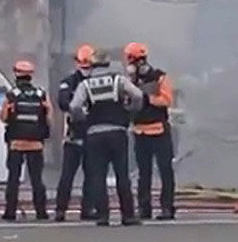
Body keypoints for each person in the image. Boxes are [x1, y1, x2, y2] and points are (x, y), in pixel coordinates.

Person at [68, 48, 143, 227]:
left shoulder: (86, 84)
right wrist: (130, 111)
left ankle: (103, 215)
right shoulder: (118, 80)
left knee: (98, 176)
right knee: (122, 174)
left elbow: (75, 106)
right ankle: (128, 215)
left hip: (95, 134)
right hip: (117, 132)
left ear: (92, 65)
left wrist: (84, 118)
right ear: (109, 64)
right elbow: (138, 95)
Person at [125, 42, 177, 220]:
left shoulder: (160, 78)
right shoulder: (129, 82)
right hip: (140, 132)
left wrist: (147, 98)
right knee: (143, 173)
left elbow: (167, 100)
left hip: (159, 131)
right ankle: (144, 207)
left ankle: (167, 207)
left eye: (132, 61)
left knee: (165, 170)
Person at [0, 60, 51, 221]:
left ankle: (10, 212)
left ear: (16, 74)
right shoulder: (41, 94)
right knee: (37, 179)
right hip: (36, 143)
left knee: (13, 179)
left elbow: (4, 117)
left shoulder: (12, 95)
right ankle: (41, 212)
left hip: (16, 143)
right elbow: (49, 117)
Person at [54, 44, 96, 222]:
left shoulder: (97, 82)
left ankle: (88, 208)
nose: (85, 68)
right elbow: (63, 102)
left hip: (92, 134)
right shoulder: (69, 82)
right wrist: (78, 108)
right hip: (73, 135)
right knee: (67, 175)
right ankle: (60, 209)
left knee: (92, 175)